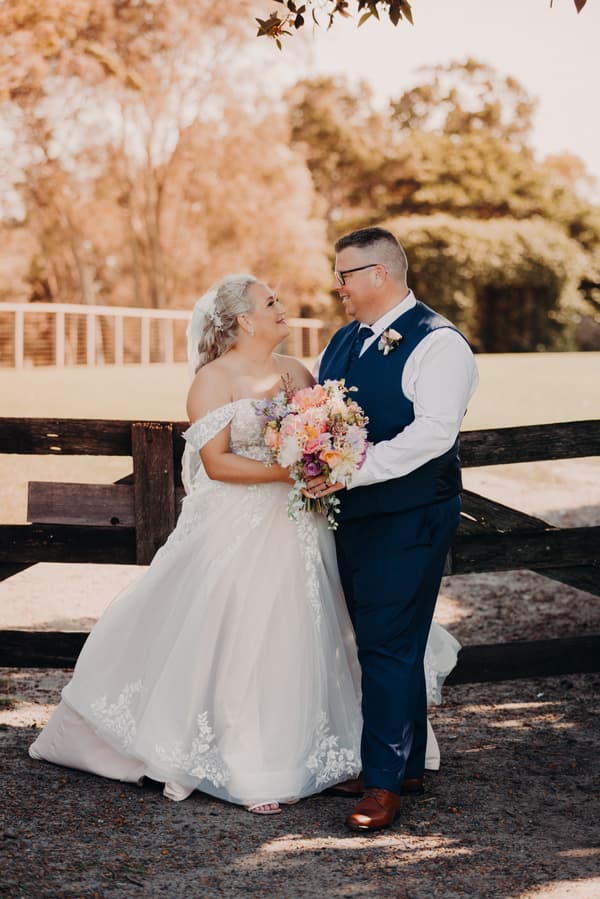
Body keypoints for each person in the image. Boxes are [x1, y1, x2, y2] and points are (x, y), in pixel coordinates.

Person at [29, 273, 459, 816]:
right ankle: (247, 762)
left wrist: (325, 456)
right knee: (248, 635)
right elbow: (218, 463)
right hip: (244, 526)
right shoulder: (213, 380)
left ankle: (348, 756)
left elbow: (324, 428)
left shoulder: (296, 371)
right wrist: (292, 470)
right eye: (271, 303)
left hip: (305, 525)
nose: (283, 308)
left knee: (316, 633)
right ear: (242, 321)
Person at [311, 227, 479, 832]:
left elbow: (435, 433)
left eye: (345, 275)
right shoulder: (341, 342)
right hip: (353, 515)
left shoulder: (440, 345)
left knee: (385, 643)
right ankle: (402, 763)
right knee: (387, 637)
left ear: (380, 274)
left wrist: (350, 473)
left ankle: (380, 784)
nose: (338, 288)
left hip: (409, 514)